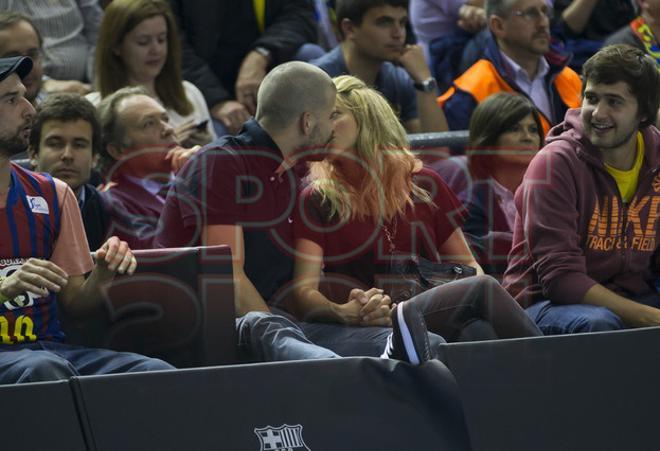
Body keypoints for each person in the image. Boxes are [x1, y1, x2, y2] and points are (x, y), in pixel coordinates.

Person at [158, 62, 437, 364]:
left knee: (428, 344)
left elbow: (296, 285)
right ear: (307, 122)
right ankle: (328, 369)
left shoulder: (298, 171)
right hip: (217, 328)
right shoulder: (221, 164)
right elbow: (226, 277)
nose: (334, 128)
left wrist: (346, 309)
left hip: (288, 326)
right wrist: (284, 332)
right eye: (331, 115)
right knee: (294, 341)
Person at [291, 75, 542, 343]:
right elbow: (303, 292)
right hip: (373, 318)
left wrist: (467, 298)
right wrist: (345, 313)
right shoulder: (317, 199)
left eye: (334, 115)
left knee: (477, 329)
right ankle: (551, 362)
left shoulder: (424, 184)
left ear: (367, 120)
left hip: (427, 304)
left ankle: (538, 370)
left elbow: (467, 263)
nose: (323, 126)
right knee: (483, 291)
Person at [0, 56, 173, 383]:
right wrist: (4, 289)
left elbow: (76, 304)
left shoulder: (54, 193)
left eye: (25, 96)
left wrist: (105, 271)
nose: (29, 110)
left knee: (156, 372)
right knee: (44, 370)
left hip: (50, 350)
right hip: (31, 364)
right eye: (11, 99)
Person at [503, 44, 660, 334]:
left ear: (643, 112)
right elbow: (561, 280)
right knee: (598, 323)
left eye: (614, 102)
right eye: (591, 97)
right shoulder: (553, 164)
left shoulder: (656, 158)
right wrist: (649, 317)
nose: (598, 113)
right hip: (544, 304)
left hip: (632, 295)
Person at [433, 92, 544, 275]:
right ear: (488, 140)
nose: (527, 137)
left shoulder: (552, 192)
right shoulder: (470, 204)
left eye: (533, 130)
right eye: (514, 129)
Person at [169, 0, 318, 135]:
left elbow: (300, 15)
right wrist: (217, 101)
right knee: (218, 137)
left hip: (267, 72)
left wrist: (261, 54)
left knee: (309, 55)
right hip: (205, 90)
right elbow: (173, 47)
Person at [438, 0, 582, 134]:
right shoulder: (469, 92)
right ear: (498, 26)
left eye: (545, 12)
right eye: (530, 13)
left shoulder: (570, 78)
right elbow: (460, 159)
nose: (543, 23)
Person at [89, 0, 215, 148]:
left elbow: (220, 164)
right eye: (143, 42)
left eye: (162, 39)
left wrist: (208, 148)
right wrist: (168, 147)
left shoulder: (189, 93)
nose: (156, 50)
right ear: (116, 46)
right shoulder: (94, 107)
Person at [311, 0, 449, 133]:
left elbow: (437, 152)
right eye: (384, 22)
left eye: (402, 23)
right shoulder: (315, 82)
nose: (398, 34)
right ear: (349, 28)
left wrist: (424, 82)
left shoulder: (399, 79)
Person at [96, 86, 199, 250]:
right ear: (118, 150)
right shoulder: (112, 202)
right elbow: (160, 255)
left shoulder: (197, 173)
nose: (168, 129)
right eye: (149, 124)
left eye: (165, 119)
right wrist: (191, 185)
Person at [28, 93, 112, 251]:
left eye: (79, 145)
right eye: (55, 144)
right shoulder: (7, 204)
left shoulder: (110, 211)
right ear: (33, 153)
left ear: (94, 157)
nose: (67, 155)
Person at [0, 0, 102, 87]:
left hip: (87, 82)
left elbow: (98, 35)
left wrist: (95, 82)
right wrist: (45, 82)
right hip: (28, 84)